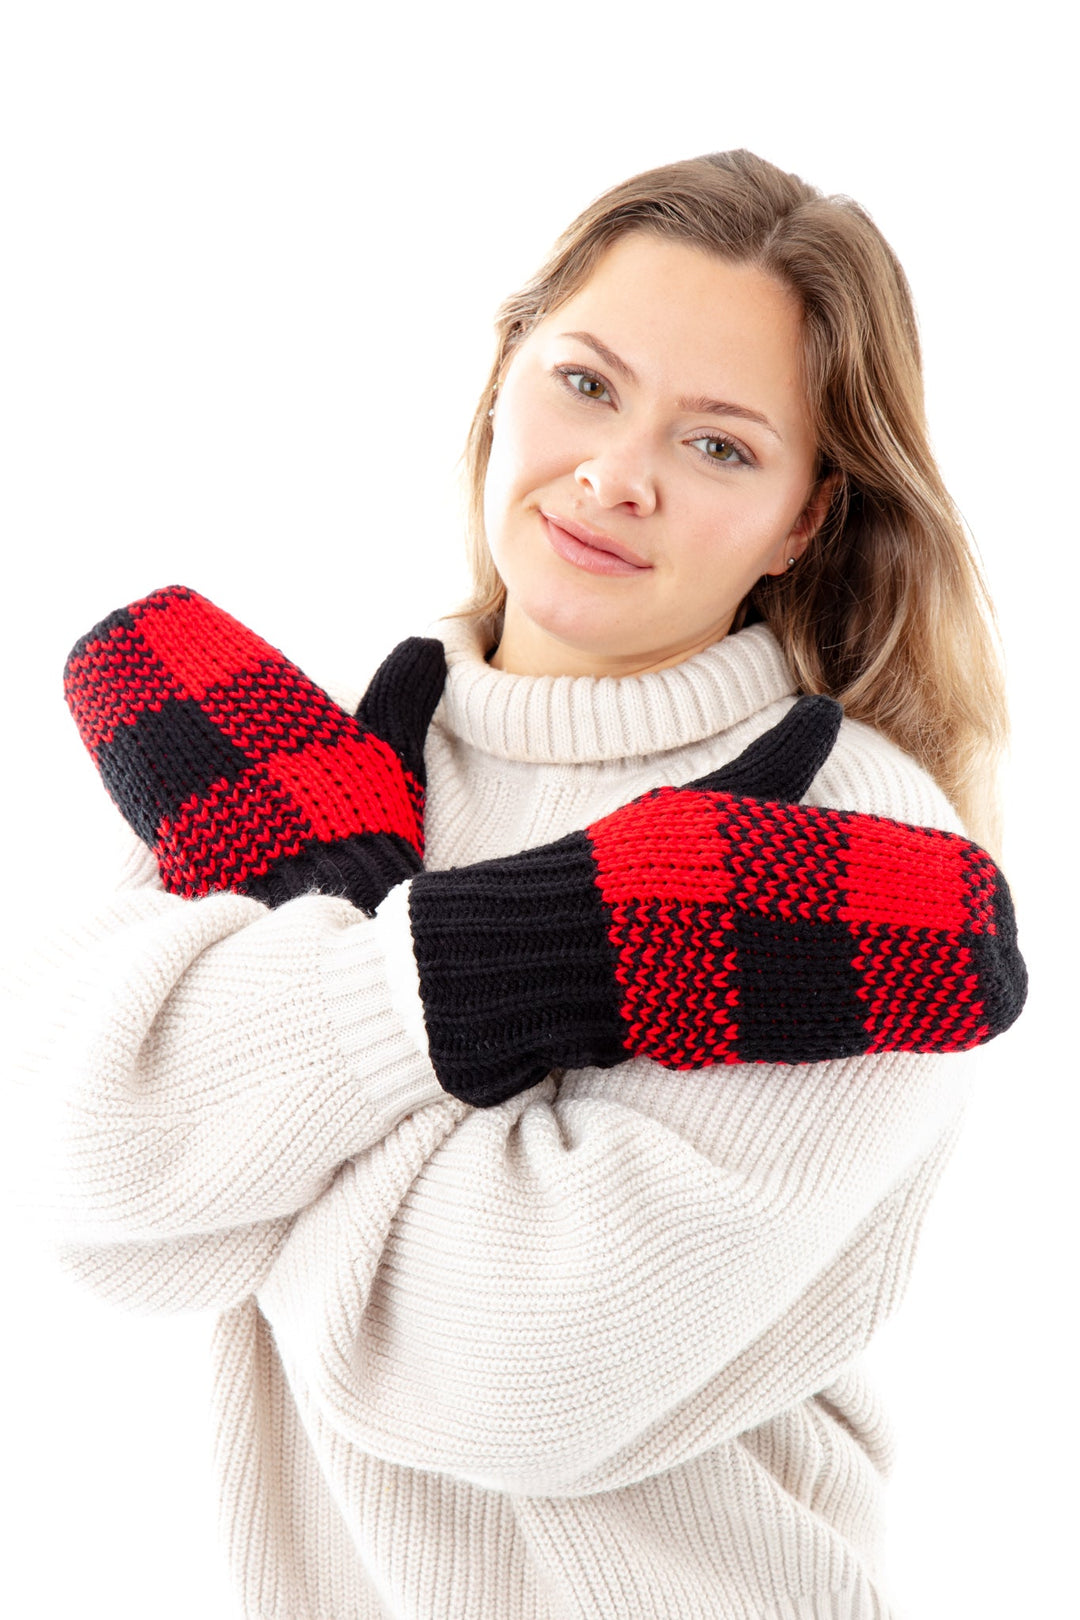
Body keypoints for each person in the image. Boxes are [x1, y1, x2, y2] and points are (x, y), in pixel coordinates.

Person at [42, 150, 1023, 1619]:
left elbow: (495, 1369)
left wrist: (273, 1097)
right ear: (504, 372)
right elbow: (86, 1179)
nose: (618, 471)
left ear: (805, 521)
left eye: (722, 448)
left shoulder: (848, 858)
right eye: (587, 382)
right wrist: (523, 951)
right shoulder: (301, 770)